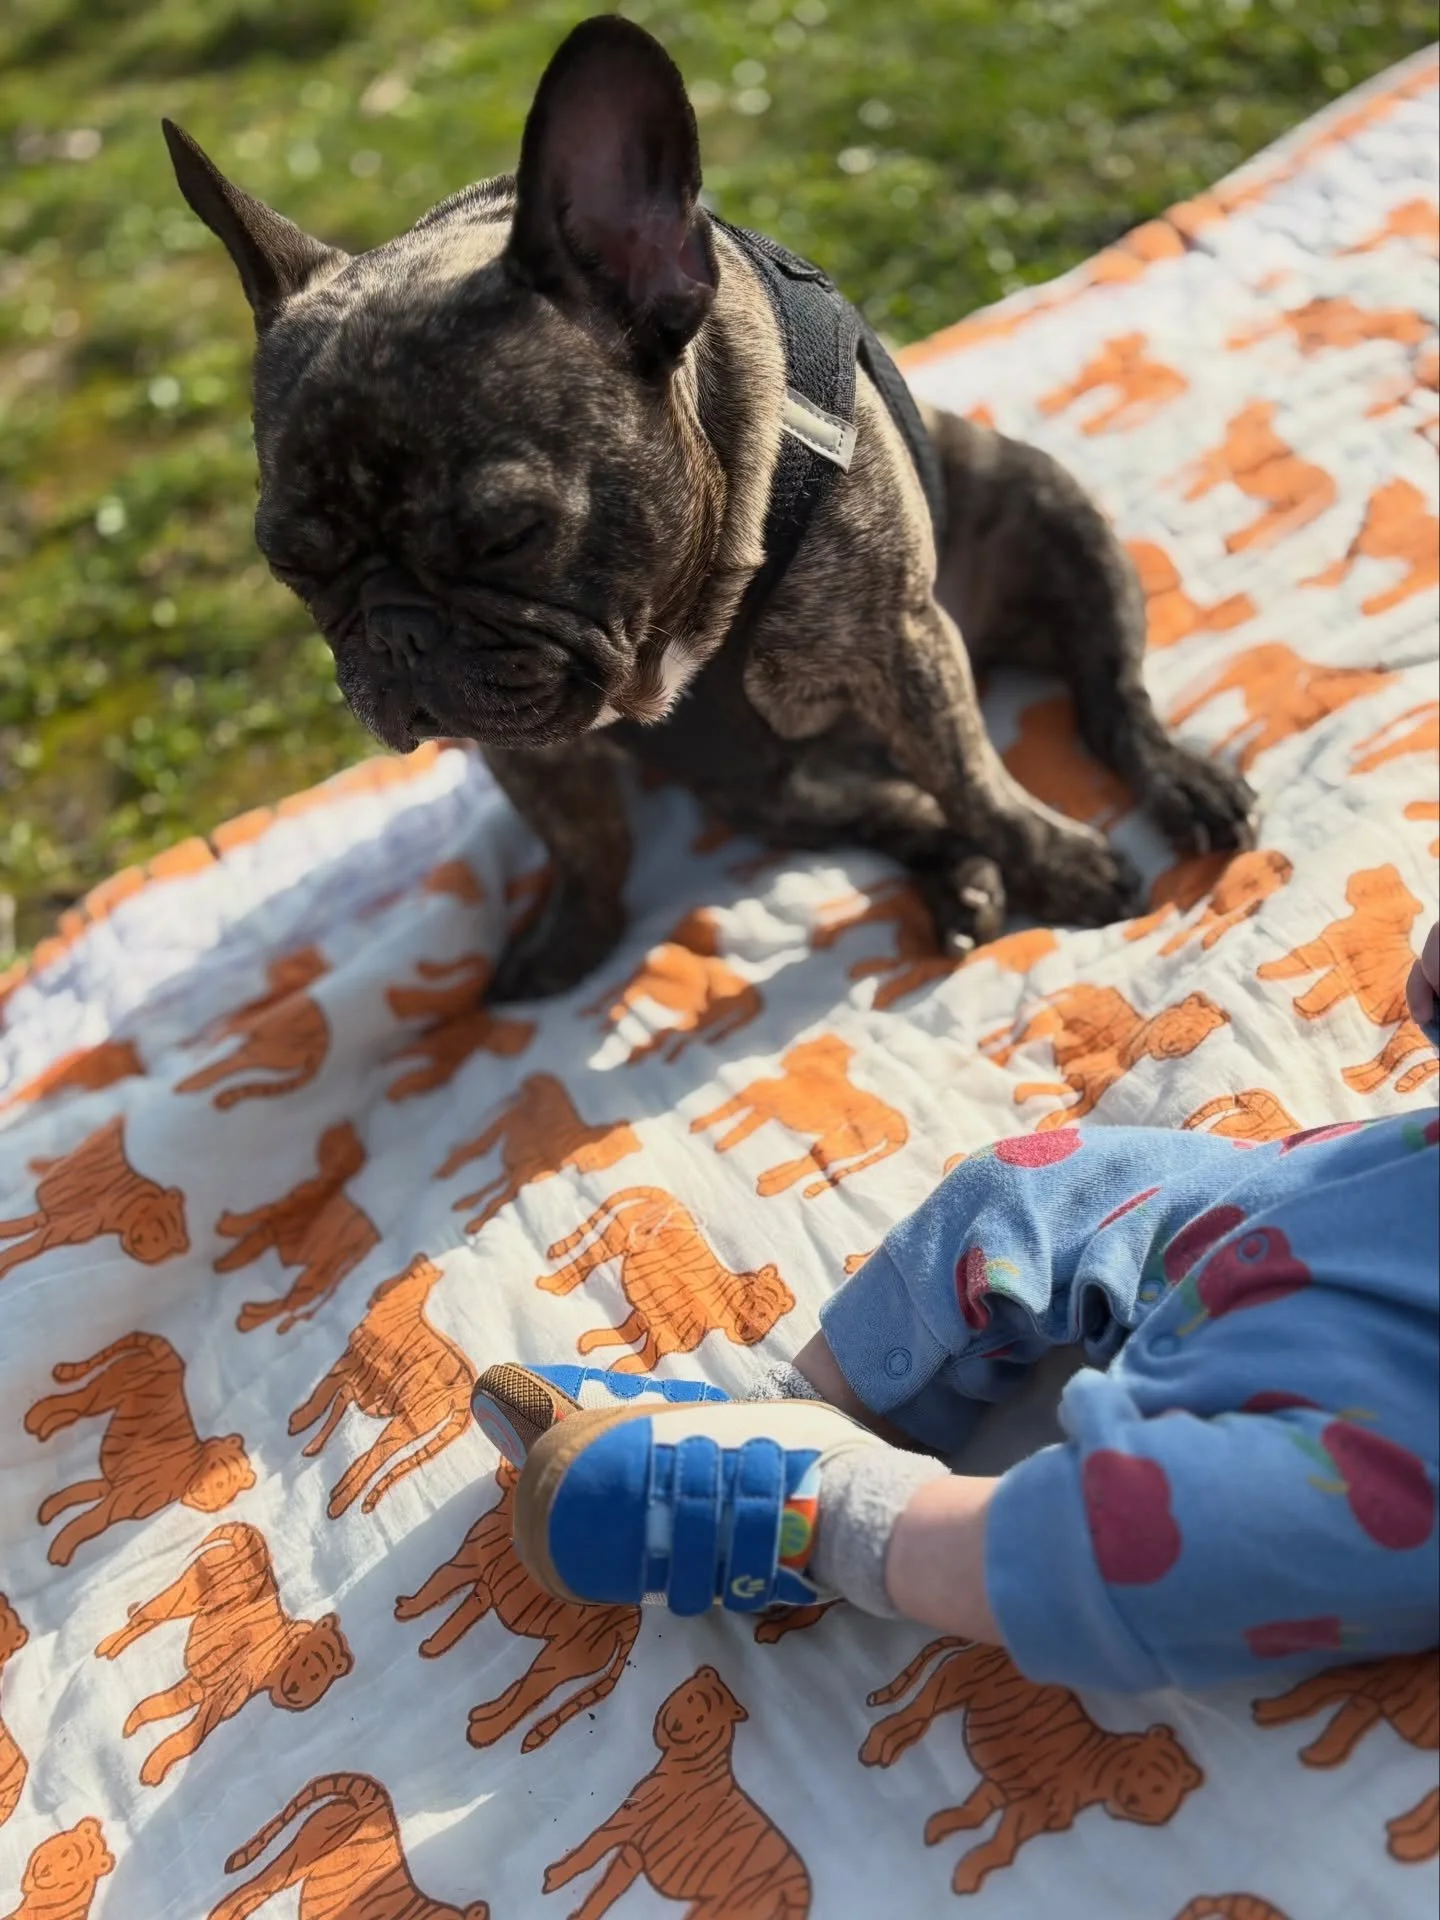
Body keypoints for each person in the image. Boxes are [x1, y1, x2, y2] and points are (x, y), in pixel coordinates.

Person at [474, 925, 1440, 1692]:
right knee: (1020, 1195)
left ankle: (844, 1521)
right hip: (1308, 1203)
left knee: (1181, 1546)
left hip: (1395, 1401)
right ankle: (800, 1408)